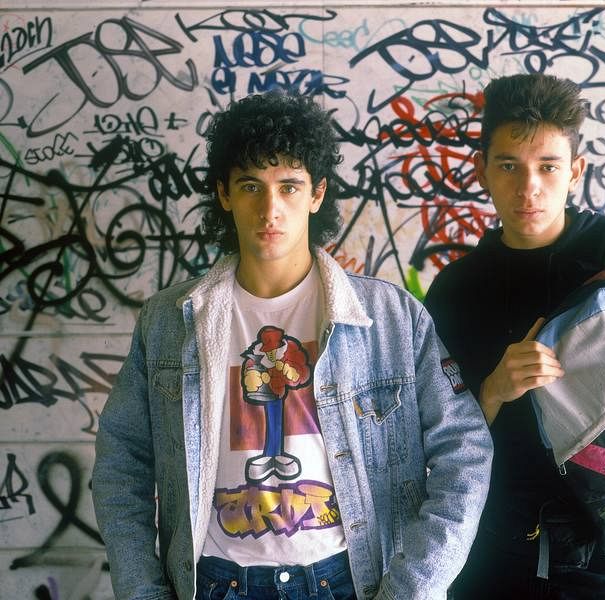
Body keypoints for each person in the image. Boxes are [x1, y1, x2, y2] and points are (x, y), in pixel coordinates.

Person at [92, 91, 493, 600]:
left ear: (317, 193)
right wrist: (143, 591)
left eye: (289, 186)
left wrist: (412, 589)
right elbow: (120, 463)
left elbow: (465, 452)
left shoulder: (389, 317)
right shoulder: (169, 321)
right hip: (216, 583)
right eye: (251, 187)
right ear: (224, 194)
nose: (270, 209)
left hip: (351, 582)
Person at [424, 73, 605, 600]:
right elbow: (433, 434)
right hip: (492, 557)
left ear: (575, 171)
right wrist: (492, 391)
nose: (529, 188)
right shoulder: (457, 287)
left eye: (548, 166)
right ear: (481, 170)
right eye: (509, 166)